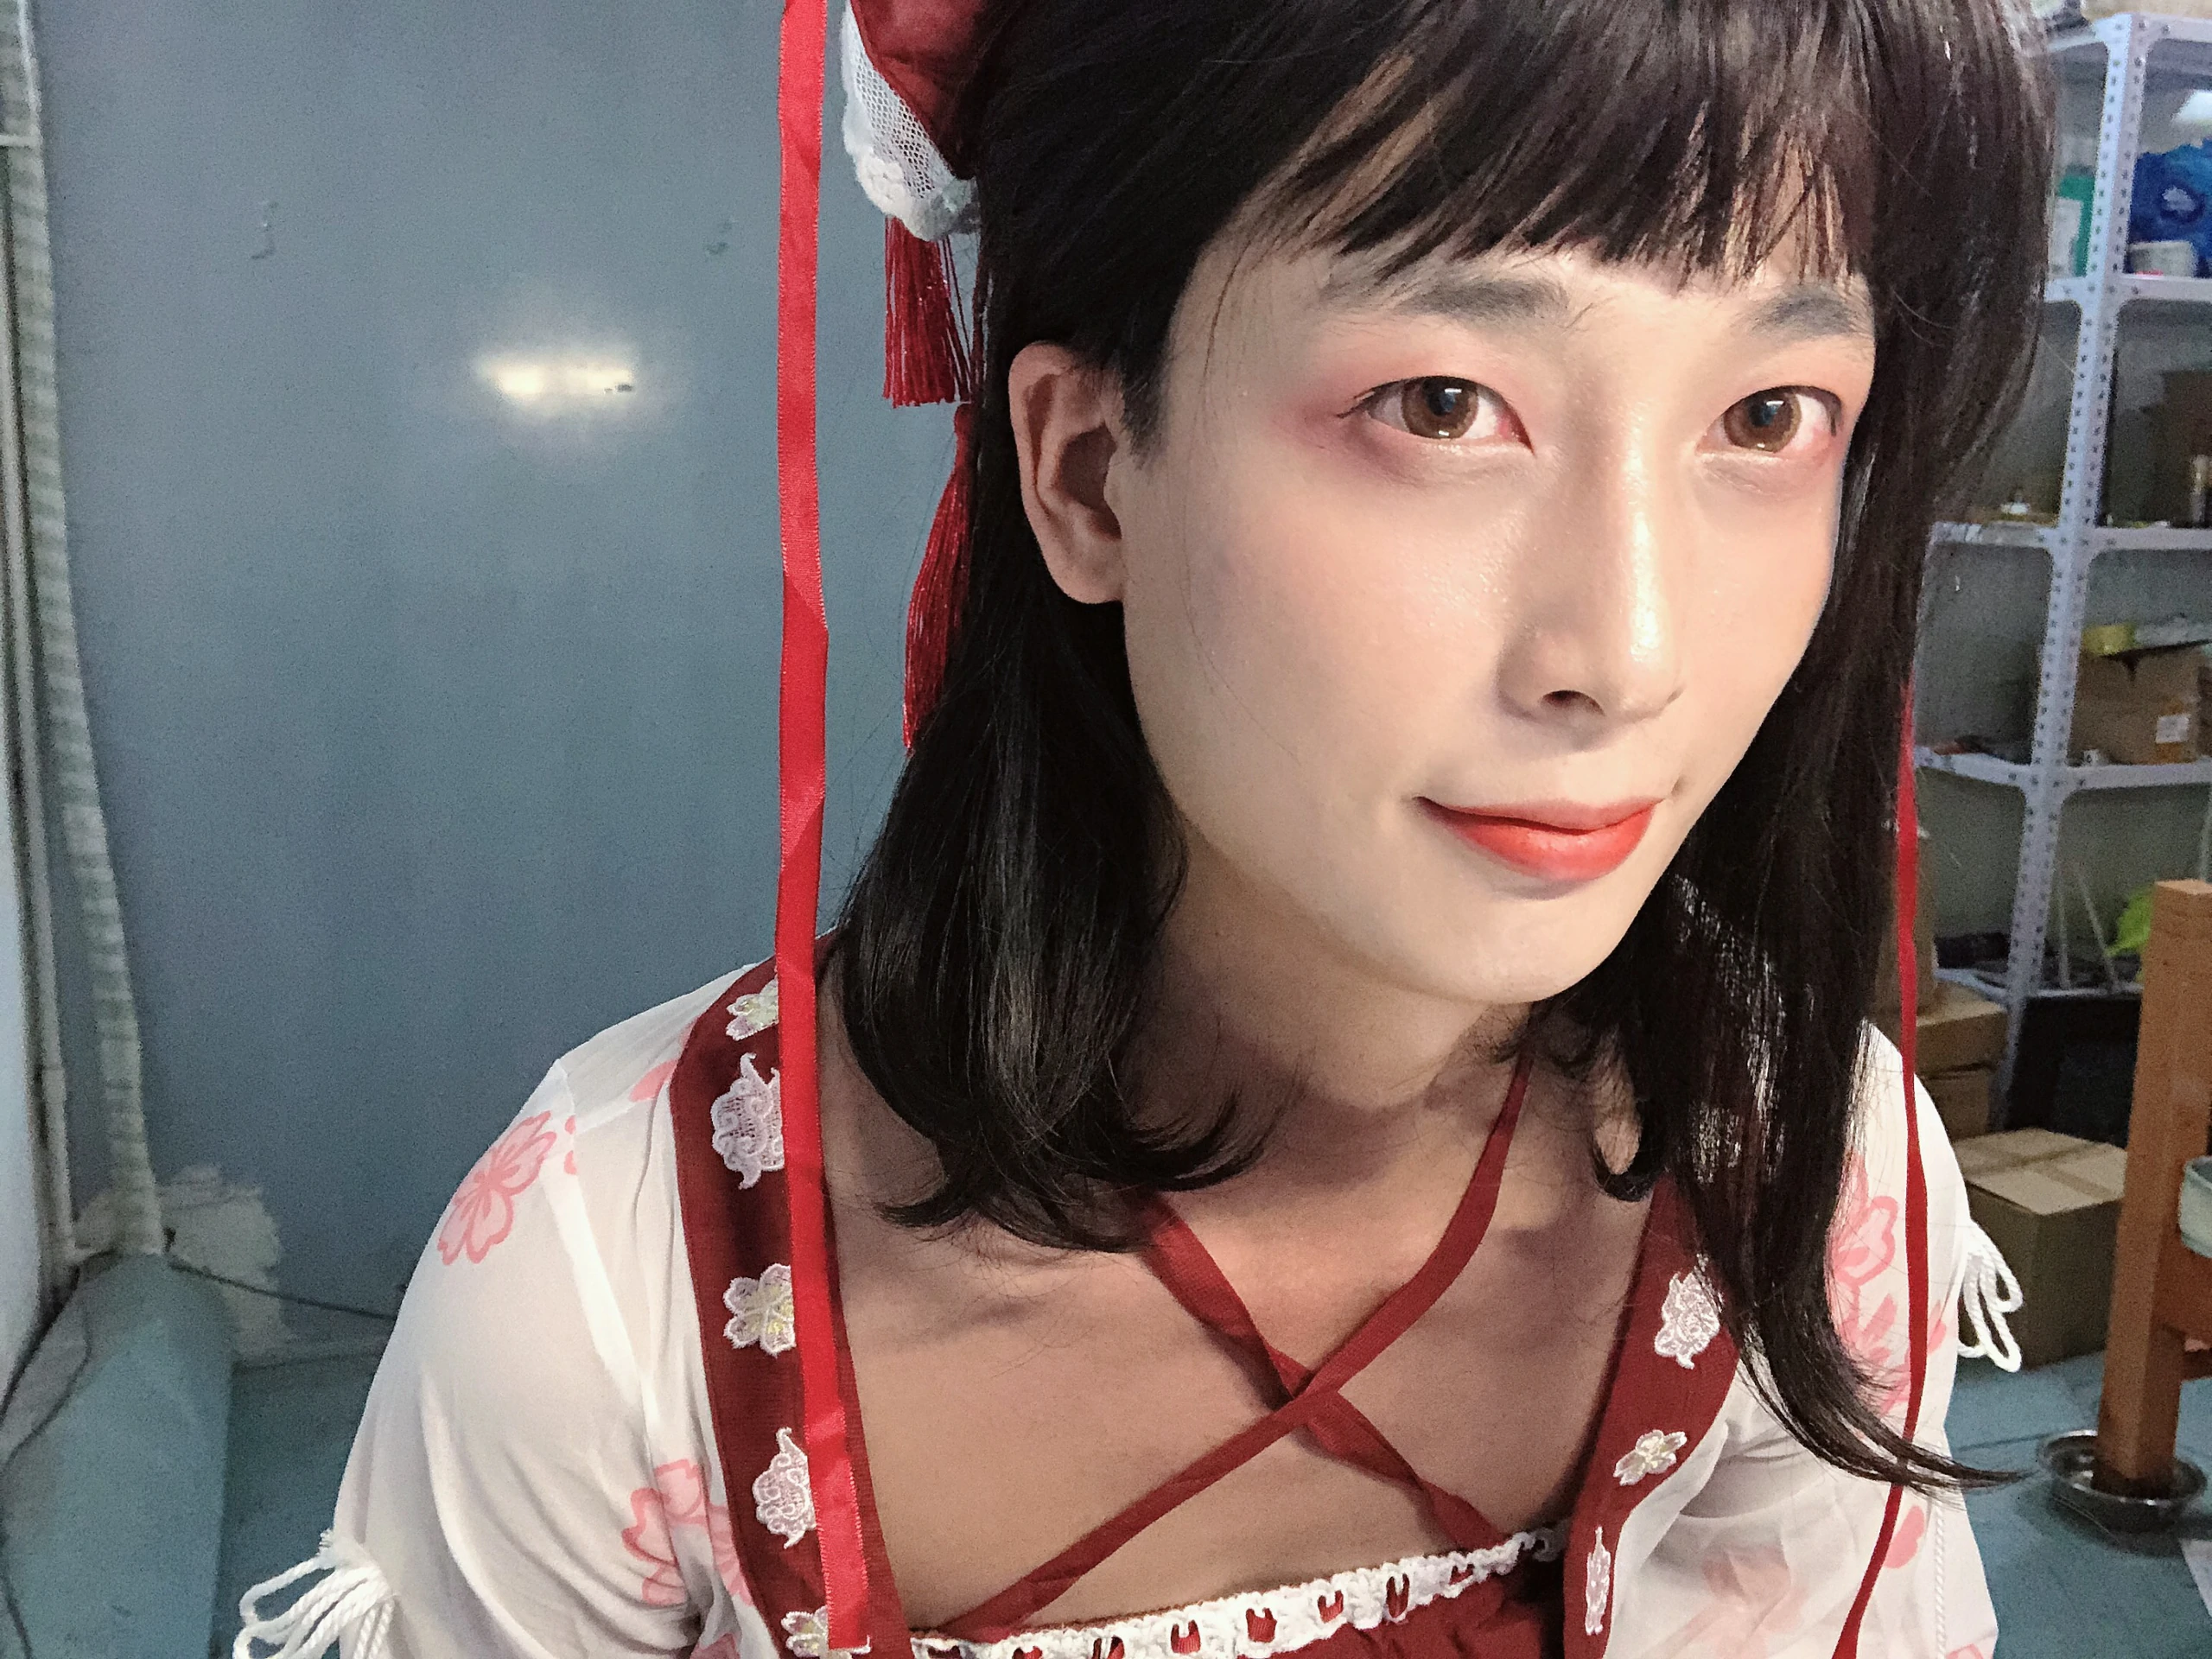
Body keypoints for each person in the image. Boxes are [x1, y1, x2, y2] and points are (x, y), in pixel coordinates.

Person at [238, 1, 2048, 1655]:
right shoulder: (615, 1287)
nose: (1630, 655)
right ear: (1088, 471)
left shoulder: (1801, 1167)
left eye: (1765, 415)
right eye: (1442, 405)